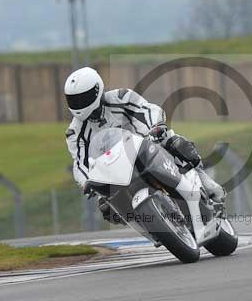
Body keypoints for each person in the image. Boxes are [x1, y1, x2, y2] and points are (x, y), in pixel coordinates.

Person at [64, 67, 225, 223]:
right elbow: (80, 162)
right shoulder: (74, 132)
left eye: (83, 97)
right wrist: (87, 182)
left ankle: (206, 182)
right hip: (115, 169)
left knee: (173, 142)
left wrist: (156, 126)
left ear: (97, 90)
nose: (79, 103)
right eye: (74, 100)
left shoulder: (121, 96)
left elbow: (147, 110)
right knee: (107, 208)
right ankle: (151, 226)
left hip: (146, 144)